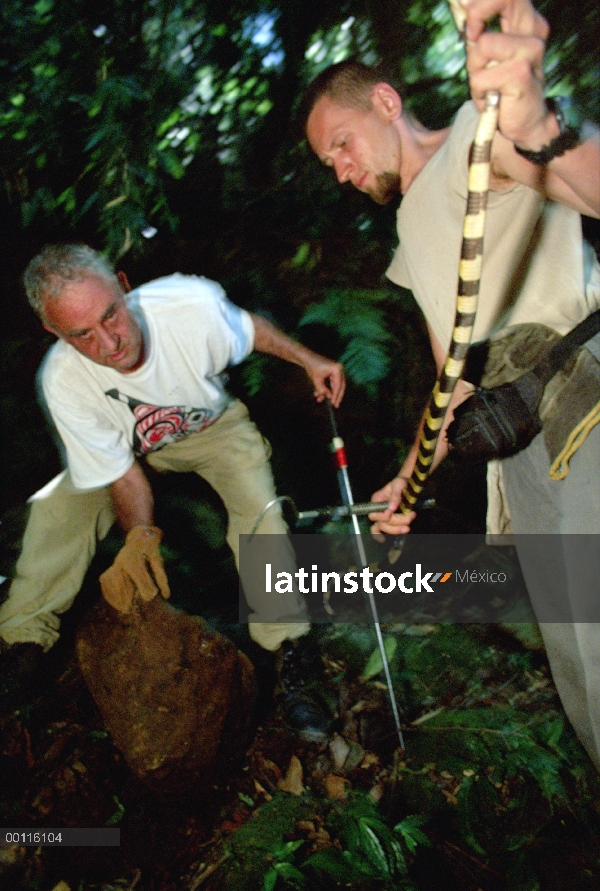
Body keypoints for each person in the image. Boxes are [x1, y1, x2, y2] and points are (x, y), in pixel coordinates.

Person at [302, 0, 600, 769]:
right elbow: (451, 382)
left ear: (387, 103)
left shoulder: (479, 132)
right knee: (576, 665)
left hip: (581, 407)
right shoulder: (409, 231)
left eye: (341, 142)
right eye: (326, 164)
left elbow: (590, 186)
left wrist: (531, 119)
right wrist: (408, 481)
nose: (338, 169)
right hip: (518, 449)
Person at [0, 243, 346, 739]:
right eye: (83, 335)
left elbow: (251, 331)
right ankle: (22, 645)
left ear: (124, 288)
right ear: (54, 333)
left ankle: (291, 650)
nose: (110, 343)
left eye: (111, 316)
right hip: (128, 453)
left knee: (261, 513)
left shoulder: (189, 305)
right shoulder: (62, 379)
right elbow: (122, 474)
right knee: (59, 507)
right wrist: (141, 537)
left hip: (212, 427)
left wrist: (309, 360)